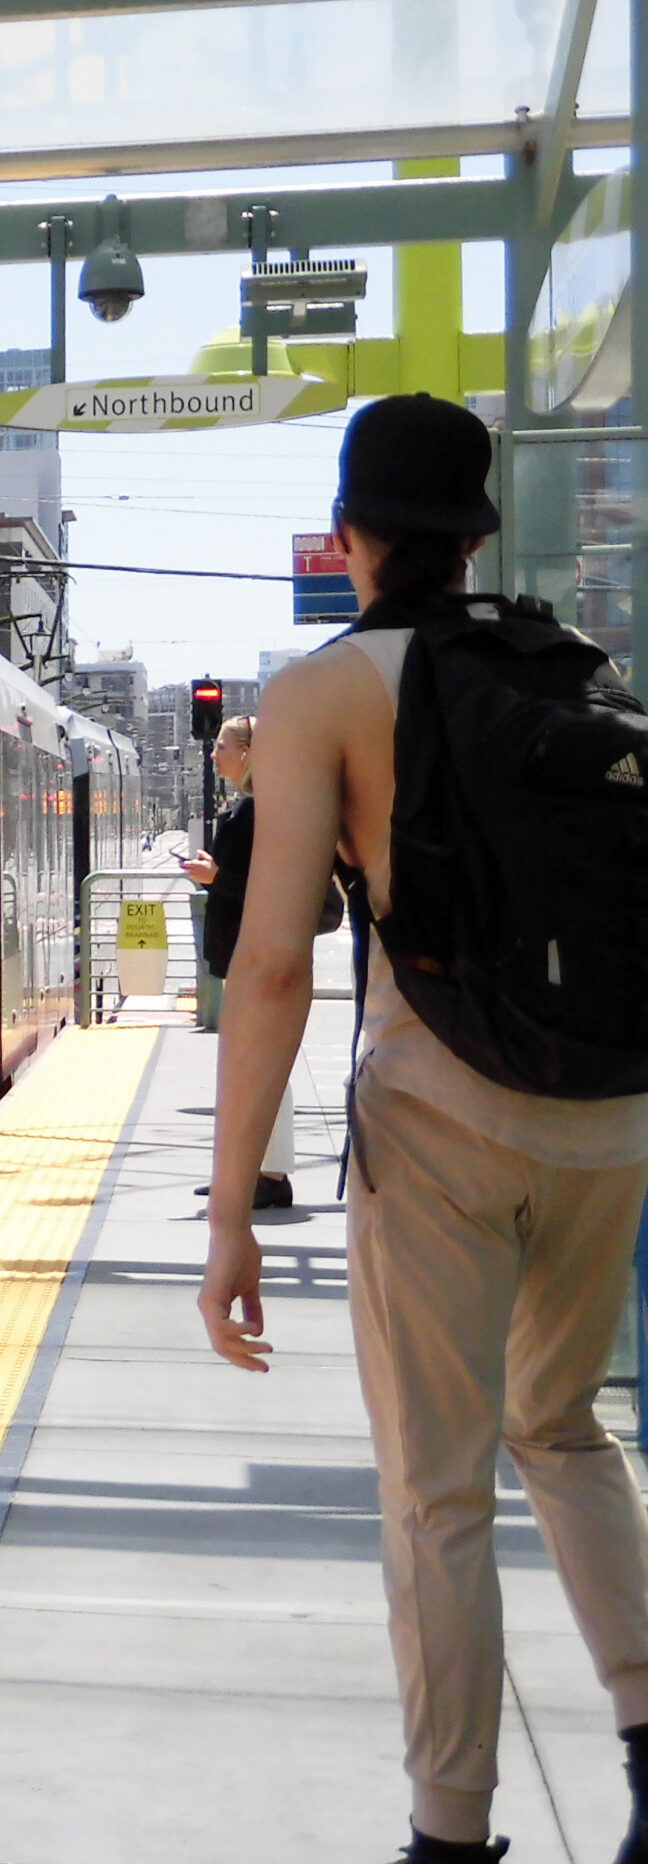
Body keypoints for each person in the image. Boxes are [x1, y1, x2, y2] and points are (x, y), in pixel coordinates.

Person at [198, 393, 648, 1864]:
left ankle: (449, 1836)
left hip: (440, 1119)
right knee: (561, 1426)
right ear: (475, 538)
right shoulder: (579, 671)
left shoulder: (326, 689)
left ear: (349, 537)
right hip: (609, 1114)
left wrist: (231, 1216)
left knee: (435, 1493)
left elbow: (273, 966)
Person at [183, 715, 296, 1210]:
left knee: (261, 1065)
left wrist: (216, 878)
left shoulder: (260, 811)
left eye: (222, 746)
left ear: (248, 752)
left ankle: (269, 1174)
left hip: (256, 955)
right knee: (252, 1065)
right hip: (248, 955)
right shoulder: (254, 807)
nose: (214, 755)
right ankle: (253, 1171)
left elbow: (269, 889)